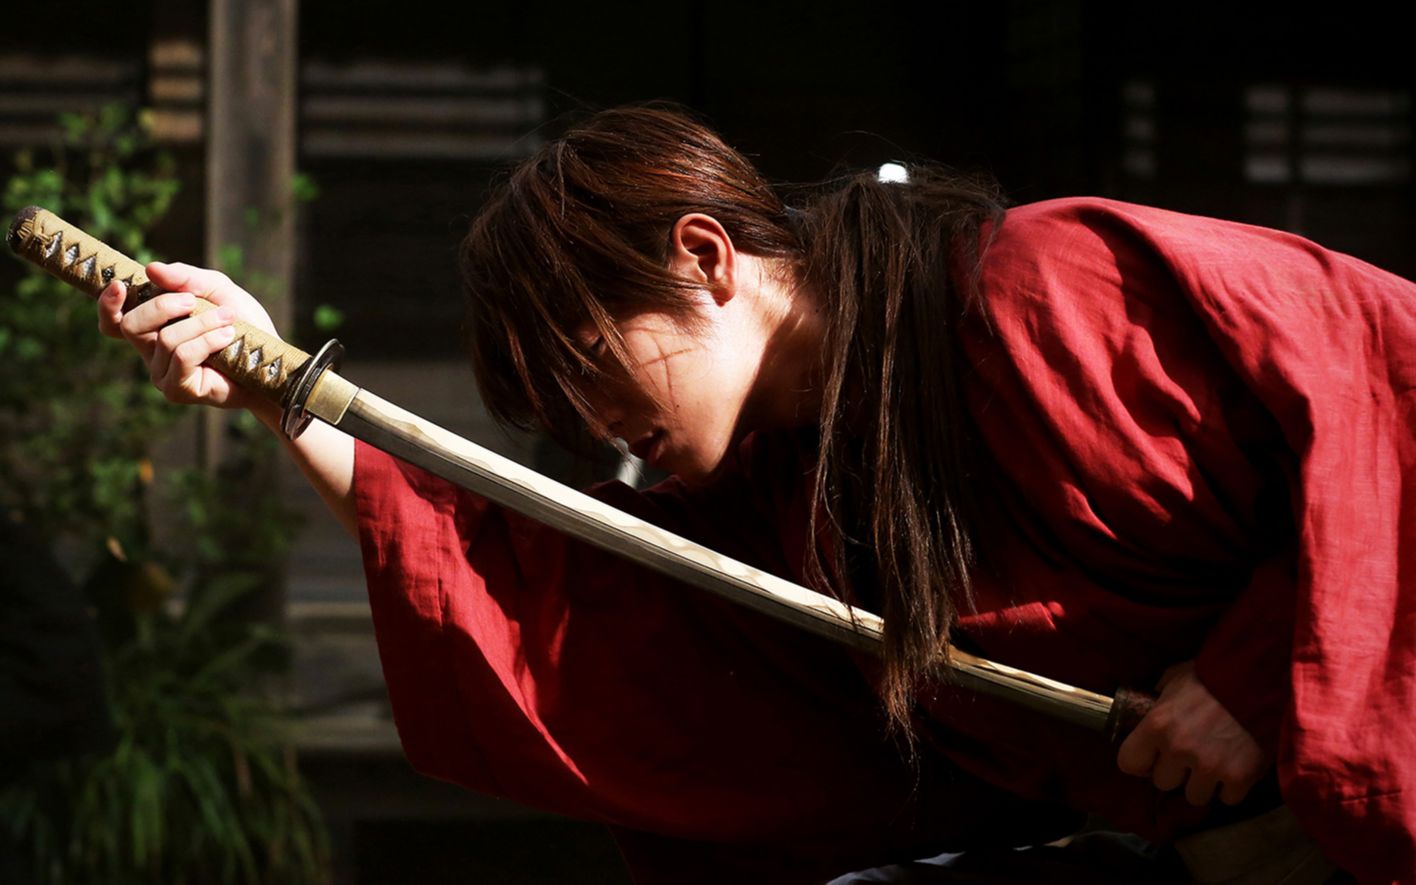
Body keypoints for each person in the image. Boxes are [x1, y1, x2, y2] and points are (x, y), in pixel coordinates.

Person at [95, 106, 1414, 883]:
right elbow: (579, 610)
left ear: (705, 256)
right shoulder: (789, 492)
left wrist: (1255, 671)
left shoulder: (1045, 285)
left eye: (592, 370)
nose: (600, 433)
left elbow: (1391, 397)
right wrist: (280, 394)